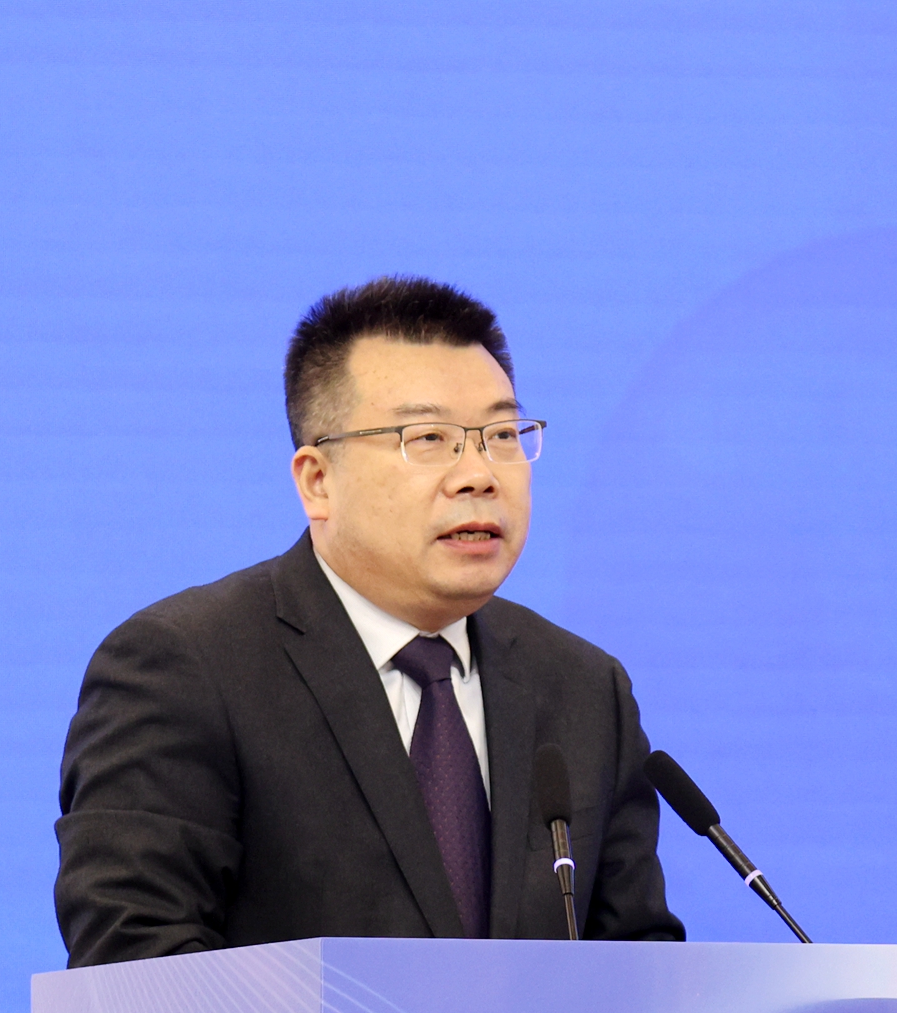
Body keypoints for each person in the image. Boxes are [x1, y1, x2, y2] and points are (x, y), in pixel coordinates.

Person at [54, 276, 685, 966]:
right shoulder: (187, 669)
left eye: (502, 434)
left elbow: (638, 970)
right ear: (317, 481)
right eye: (428, 437)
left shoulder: (584, 688)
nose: (479, 474)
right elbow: (135, 963)